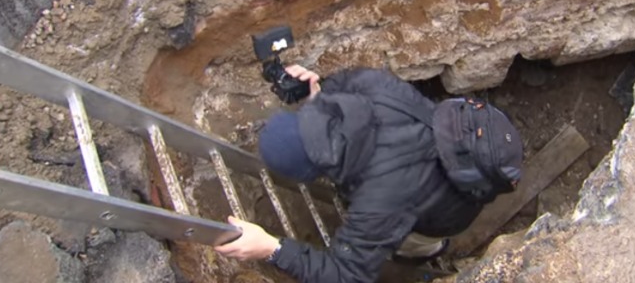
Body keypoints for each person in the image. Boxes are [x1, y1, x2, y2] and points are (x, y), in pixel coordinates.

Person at [215, 65, 523, 283]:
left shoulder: (382, 200)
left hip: (444, 214)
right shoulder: (367, 82)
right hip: (435, 162)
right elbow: (336, 89)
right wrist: (316, 94)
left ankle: (423, 255)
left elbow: (347, 274)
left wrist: (271, 248)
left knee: (414, 245)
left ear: (314, 173)